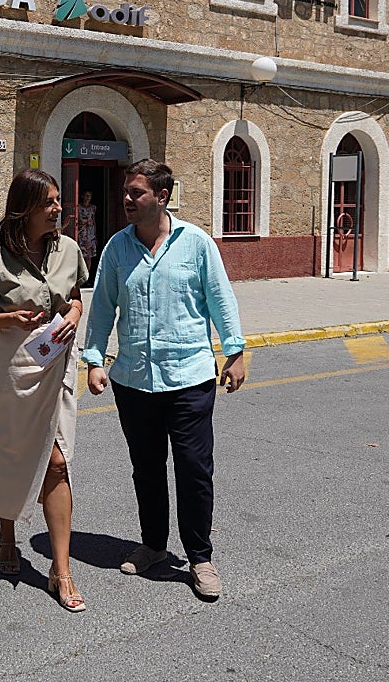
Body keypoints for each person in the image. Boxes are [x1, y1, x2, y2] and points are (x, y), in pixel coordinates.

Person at [82, 159, 246, 600]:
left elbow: (220, 297)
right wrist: (94, 359)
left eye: (137, 192)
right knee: (147, 469)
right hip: (134, 380)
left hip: (189, 377)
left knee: (194, 470)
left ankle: (200, 557)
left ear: (162, 196)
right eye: (126, 192)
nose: (128, 199)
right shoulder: (117, 248)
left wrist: (235, 351)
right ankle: (154, 545)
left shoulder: (196, 244)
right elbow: (102, 307)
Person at [0, 168, 89, 612]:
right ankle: (6, 532)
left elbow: (74, 296)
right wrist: (9, 319)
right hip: (16, 364)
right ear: (26, 208)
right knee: (12, 452)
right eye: (50, 202)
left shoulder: (68, 250)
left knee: (58, 461)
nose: (59, 209)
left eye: (58, 201)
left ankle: (61, 570)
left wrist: (74, 314)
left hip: (57, 360)